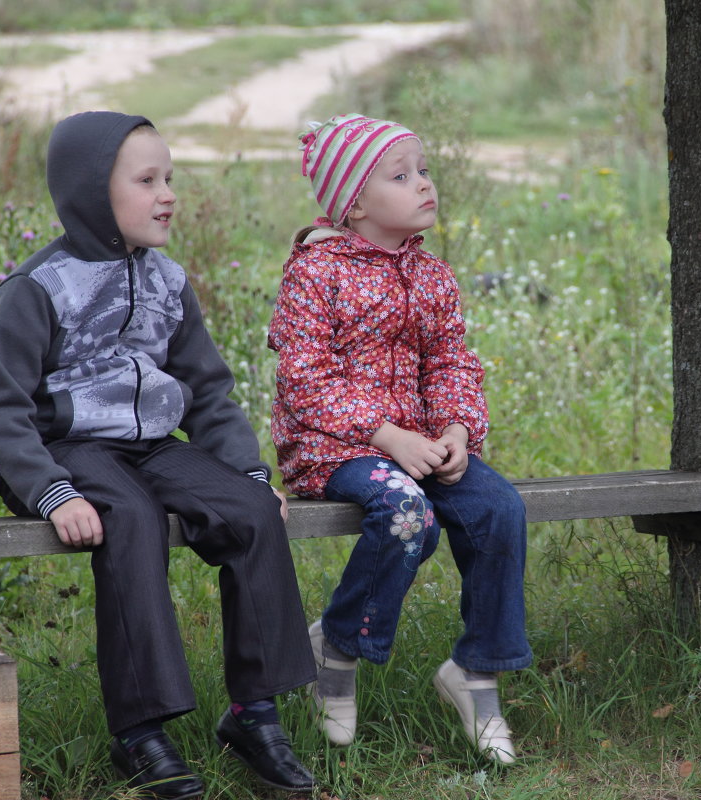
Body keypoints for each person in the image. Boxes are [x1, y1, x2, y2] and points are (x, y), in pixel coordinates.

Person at [0, 111, 317, 799]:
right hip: (64, 452)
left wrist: (248, 470)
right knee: (128, 516)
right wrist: (53, 491)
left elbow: (208, 391)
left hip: (152, 444)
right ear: (93, 193)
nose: (167, 194)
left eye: (171, 178)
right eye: (147, 180)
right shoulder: (37, 289)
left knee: (252, 508)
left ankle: (254, 713)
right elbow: (2, 410)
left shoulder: (167, 280)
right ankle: (141, 730)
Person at [267, 113, 532, 765]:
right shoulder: (315, 273)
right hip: (336, 447)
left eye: (424, 170)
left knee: (500, 509)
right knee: (409, 515)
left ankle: (475, 675)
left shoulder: (433, 275)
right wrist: (388, 437)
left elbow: (450, 361)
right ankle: (336, 644)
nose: (424, 184)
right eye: (401, 174)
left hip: (419, 442)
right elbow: (306, 382)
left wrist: (456, 428)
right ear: (355, 203)